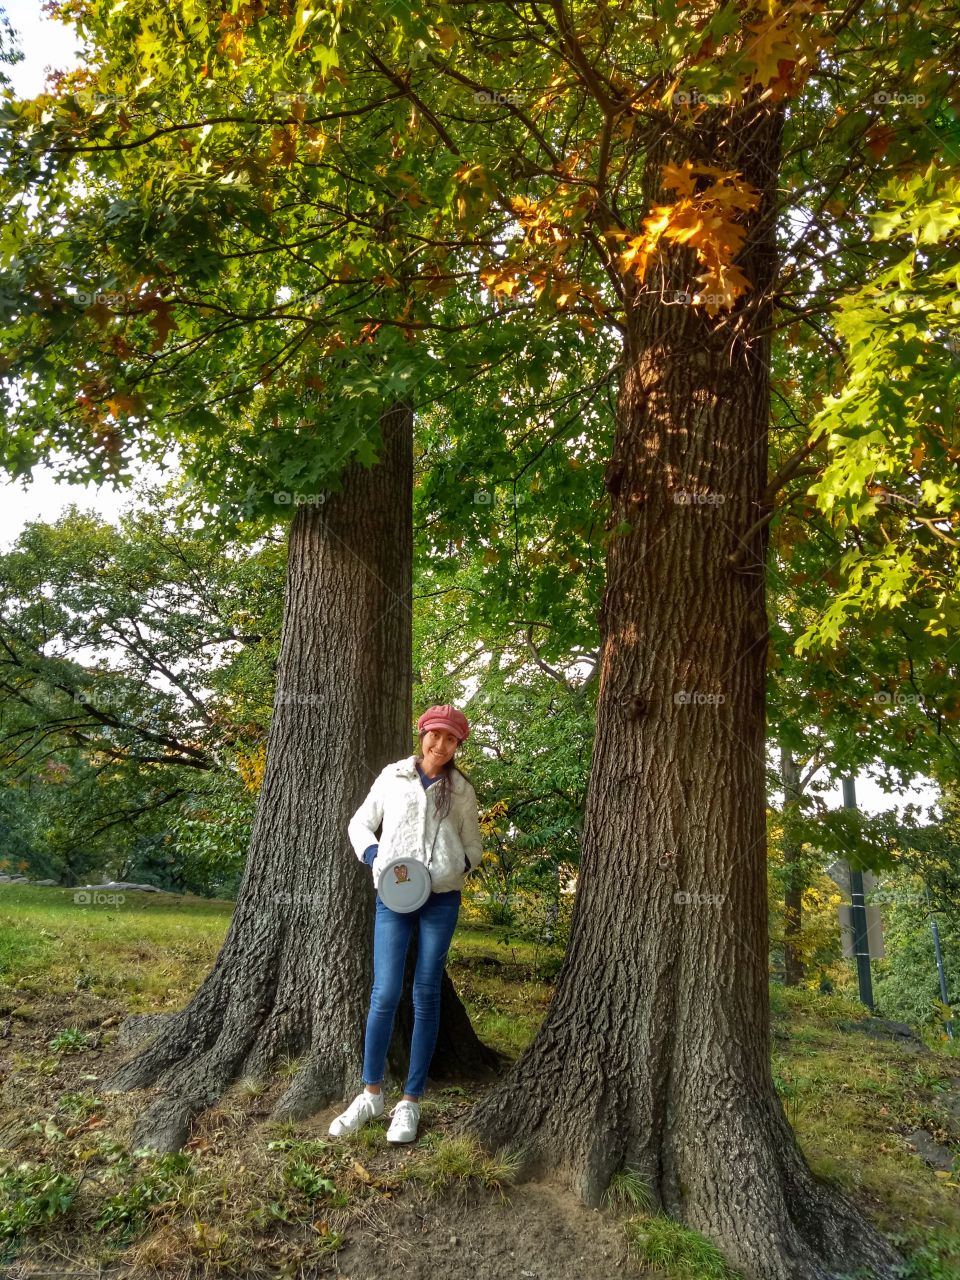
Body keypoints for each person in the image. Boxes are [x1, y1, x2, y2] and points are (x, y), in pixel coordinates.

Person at [329, 703, 484, 1144]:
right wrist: (375, 857)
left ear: (458, 746)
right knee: (385, 991)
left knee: (426, 992)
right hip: (394, 897)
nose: (440, 744)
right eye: (434, 735)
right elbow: (360, 822)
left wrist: (458, 865)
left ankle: (410, 1102)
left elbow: (474, 844)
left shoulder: (461, 791)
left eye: (450, 739)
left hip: (441, 901)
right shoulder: (393, 776)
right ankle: (371, 1093)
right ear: (422, 734)